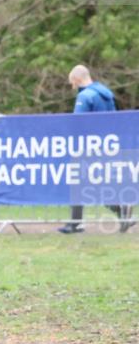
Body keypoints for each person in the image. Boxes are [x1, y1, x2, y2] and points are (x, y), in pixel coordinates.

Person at [58, 65, 133, 234]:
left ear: (77, 79)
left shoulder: (85, 96)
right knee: (97, 183)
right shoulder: (106, 94)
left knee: (81, 181)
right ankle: (120, 211)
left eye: (72, 83)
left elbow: (77, 123)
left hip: (89, 146)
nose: (72, 87)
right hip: (107, 145)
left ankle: (77, 223)